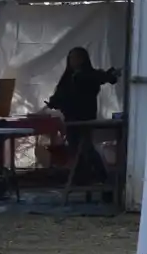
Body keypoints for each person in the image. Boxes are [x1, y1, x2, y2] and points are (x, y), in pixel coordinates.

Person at [44, 47, 120, 182]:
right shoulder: (68, 77)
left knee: (86, 148)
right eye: (72, 58)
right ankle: (82, 178)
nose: (74, 61)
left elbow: (102, 78)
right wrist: (54, 102)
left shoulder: (88, 75)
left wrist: (110, 75)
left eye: (77, 57)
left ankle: (103, 179)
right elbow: (61, 95)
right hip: (71, 118)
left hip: (85, 117)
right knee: (76, 149)